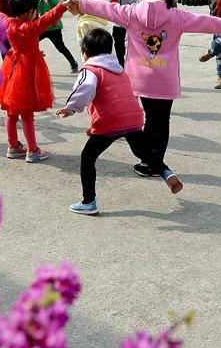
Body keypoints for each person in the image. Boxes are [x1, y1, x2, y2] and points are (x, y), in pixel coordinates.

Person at [65, 0, 221, 190]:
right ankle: (155, 164)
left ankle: (149, 162)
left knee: (139, 122)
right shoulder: (177, 16)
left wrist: (80, 1)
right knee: (161, 122)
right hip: (165, 81)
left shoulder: (130, 12)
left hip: (139, 79)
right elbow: (205, 22)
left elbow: (106, 8)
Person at [56, 29, 162, 215]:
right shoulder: (119, 69)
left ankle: (89, 202)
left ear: (85, 52)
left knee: (87, 157)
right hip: (133, 118)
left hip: (110, 121)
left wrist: (71, 108)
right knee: (141, 151)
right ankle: (166, 172)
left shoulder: (90, 70)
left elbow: (85, 87)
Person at [0, 0, 66, 163]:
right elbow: (49, 18)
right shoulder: (31, 27)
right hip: (27, 71)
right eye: (35, 11)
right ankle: (33, 150)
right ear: (29, 12)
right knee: (26, 113)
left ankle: (13, 146)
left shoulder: (8, 23)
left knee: (11, 111)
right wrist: (63, 5)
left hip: (12, 67)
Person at [80, 0, 139, 66]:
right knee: (119, 49)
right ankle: (122, 67)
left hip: (132, 26)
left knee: (133, 49)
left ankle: (133, 67)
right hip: (117, 26)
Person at [33, 0, 79, 73]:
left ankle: (73, 63)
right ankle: (33, 67)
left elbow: (61, 5)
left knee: (60, 47)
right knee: (31, 44)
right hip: (40, 27)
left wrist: (56, 19)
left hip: (54, 28)